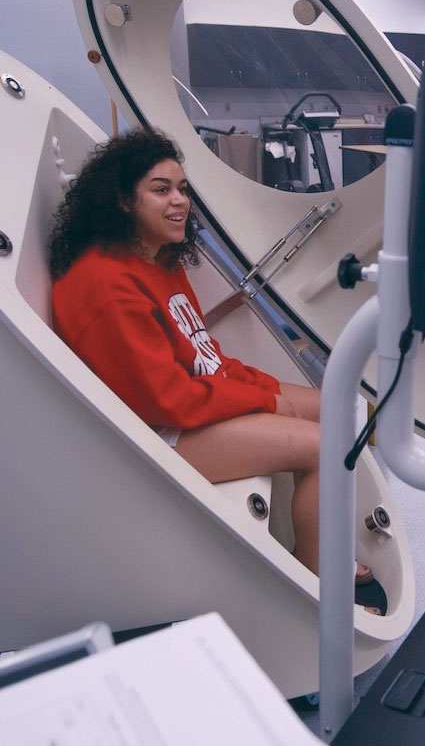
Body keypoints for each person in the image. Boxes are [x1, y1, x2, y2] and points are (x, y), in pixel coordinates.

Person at [49, 128, 374, 591]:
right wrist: (266, 400)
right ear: (122, 200)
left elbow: (206, 358)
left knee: (343, 409)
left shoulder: (158, 259)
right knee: (325, 446)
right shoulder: (105, 285)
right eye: (160, 190)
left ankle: (323, 541)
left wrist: (263, 389)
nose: (179, 201)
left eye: (182, 189)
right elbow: (168, 401)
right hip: (158, 435)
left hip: (186, 407)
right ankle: (317, 579)